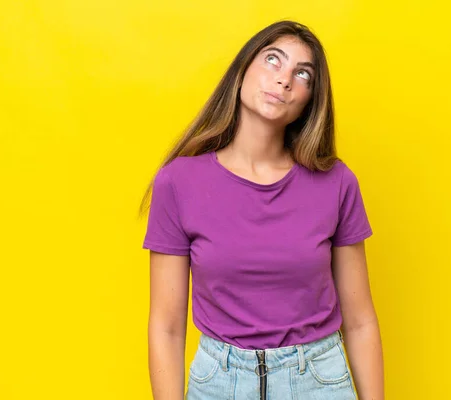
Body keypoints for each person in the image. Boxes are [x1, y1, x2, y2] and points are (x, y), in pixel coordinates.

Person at [139, 20, 384, 400]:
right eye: (273, 60)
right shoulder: (178, 183)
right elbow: (166, 327)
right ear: (242, 72)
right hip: (219, 382)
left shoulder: (336, 182)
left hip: (318, 381)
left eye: (302, 74)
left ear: (309, 100)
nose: (284, 79)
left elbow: (361, 320)